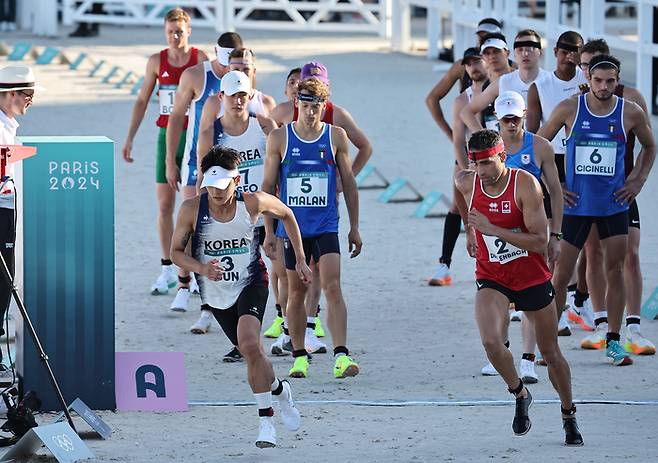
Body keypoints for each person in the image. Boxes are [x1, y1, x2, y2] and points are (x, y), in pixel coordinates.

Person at [171, 146, 310, 448]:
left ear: (236, 182)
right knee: (252, 354)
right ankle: (279, 391)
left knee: (249, 343)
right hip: (216, 290)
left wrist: (298, 258)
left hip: (251, 282)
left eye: (222, 187)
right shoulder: (192, 209)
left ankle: (265, 422)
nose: (216, 193)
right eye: (211, 186)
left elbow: (287, 214)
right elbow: (175, 253)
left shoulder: (253, 202)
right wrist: (201, 268)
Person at [454, 129, 583, 446]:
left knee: (551, 353)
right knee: (490, 341)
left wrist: (491, 228)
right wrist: (471, 231)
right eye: (476, 164)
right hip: (492, 276)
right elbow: (459, 195)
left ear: (501, 156)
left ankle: (568, 413)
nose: (482, 171)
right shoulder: (467, 182)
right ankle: (519, 392)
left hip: (531, 276)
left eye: (487, 163)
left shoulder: (525, 184)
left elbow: (539, 241)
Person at [538, 54, 656, 366]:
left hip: (613, 205)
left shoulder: (630, 112)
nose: (603, 87)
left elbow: (650, 145)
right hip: (576, 206)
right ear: (588, 79)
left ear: (618, 82)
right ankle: (548, 344)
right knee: (560, 276)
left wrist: (638, 180)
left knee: (614, 270)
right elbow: (537, 145)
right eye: (598, 80)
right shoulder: (570, 108)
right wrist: (557, 183)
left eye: (610, 81)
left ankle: (614, 340)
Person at [262, 78, 362, 379]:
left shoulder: (336, 136)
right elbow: (267, 187)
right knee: (297, 290)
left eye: (316, 107)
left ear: (324, 106)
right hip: (292, 229)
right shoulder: (280, 139)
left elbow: (350, 185)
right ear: (297, 104)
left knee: (333, 286)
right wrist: (269, 231)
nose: (309, 113)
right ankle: (299, 355)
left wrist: (354, 228)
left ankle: (341, 356)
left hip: (326, 225)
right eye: (305, 106)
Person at [569, 40, 655, 355]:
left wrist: (638, 180)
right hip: (588, 194)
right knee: (593, 254)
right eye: (589, 70)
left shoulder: (631, 100)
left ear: (615, 73)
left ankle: (633, 328)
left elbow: (648, 142)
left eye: (606, 75)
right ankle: (605, 326)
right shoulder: (577, 103)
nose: (598, 80)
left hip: (621, 190)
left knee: (629, 254)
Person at [122, 8, 206, 306]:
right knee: (164, 206)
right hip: (165, 137)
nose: (174, 36)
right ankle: (167, 268)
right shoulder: (157, 61)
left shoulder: (201, 60)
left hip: (195, 137)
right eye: (170, 31)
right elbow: (143, 99)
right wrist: (130, 137)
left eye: (179, 31)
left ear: (189, 31)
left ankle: (194, 271)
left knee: (193, 206)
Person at [483, 90, 563, 383]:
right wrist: (472, 232)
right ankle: (501, 352)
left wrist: (555, 234)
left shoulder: (540, 147)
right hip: (498, 234)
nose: (511, 124)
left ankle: (528, 359)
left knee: (532, 299)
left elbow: (555, 191)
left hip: (533, 234)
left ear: (524, 116)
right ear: (497, 119)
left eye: (515, 118)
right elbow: (476, 188)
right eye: (505, 119)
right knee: (499, 295)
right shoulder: (488, 147)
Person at [165, 31, 243, 333]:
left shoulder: (243, 81)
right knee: (189, 230)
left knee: (220, 236)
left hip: (231, 170)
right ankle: (183, 285)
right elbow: (175, 118)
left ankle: (212, 303)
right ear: (217, 53)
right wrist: (170, 160)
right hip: (195, 163)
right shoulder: (198, 76)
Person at [428, 47, 488, 286]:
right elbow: (457, 140)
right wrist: (468, 172)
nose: (474, 66)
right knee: (458, 205)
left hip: (499, 160)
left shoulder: (500, 87)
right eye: (469, 63)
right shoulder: (462, 98)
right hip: (469, 158)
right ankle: (445, 264)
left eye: (478, 61)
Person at [0, 64, 42, 378]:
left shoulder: (8, 123)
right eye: (27, 95)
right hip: (1, 210)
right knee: (3, 284)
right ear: (11, 93)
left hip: (7, 208)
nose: (32, 101)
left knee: (5, 283)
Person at [425, 18, 505, 140]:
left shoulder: (512, 69)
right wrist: (451, 135)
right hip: (469, 133)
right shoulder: (462, 66)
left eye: (489, 36)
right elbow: (432, 99)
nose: (483, 41)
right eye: (480, 36)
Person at [461, 29, 552, 134]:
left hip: (550, 148)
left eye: (530, 48)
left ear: (540, 52)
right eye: (520, 49)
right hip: (513, 149)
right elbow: (466, 112)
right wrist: (485, 141)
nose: (525, 53)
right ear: (514, 53)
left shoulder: (551, 80)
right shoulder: (503, 82)